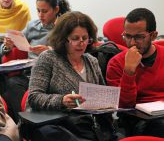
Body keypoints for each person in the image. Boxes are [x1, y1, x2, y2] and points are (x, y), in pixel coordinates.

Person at [28, 11, 115, 141]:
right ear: (63, 39)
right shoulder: (48, 58)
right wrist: (62, 101)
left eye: (85, 38)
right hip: (60, 125)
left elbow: (102, 97)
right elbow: (34, 97)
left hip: (90, 126)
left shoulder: (92, 61)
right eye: (75, 39)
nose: (81, 43)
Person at [1, 0, 71, 123]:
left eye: (44, 11)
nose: (40, 15)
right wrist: (7, 45)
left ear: (56, 9)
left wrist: (49, 50)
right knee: (10, 84)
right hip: (29, 73)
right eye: (38, 10)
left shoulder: (64, 27)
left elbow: (71, 51)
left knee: (11, 95)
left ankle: (30, 122)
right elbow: (13, 44)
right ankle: (26, 121)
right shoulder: (32, 26)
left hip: (52, 75)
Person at [106, 8, 164, 137]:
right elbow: (123, 105)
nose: (131, 43)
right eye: (127, 36)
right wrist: (129, 71)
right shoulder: (116, 63)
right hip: (138, 119)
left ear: (153, 35)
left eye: (139, 37)